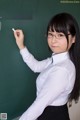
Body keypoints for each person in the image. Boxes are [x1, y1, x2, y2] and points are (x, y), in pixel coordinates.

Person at [13, 12, 80, 120]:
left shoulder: (61, 70)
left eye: (60, 35)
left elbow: (38, 106)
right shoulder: (55, 61)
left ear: (73, 39)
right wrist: (21, 45)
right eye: (50, 34)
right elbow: (36, 66)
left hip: (51, 115)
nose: (53, 40)